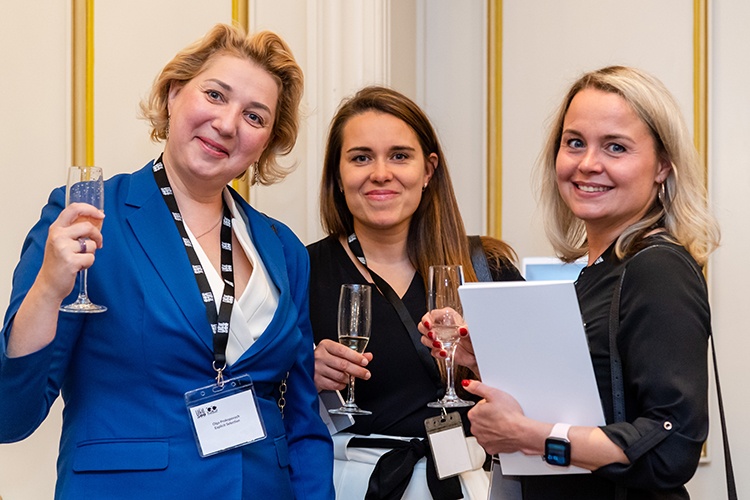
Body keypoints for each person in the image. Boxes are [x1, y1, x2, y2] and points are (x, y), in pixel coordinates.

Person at [0, 23, 333, 499]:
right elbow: (11, 414)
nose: (228, 124)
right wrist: (49, 288)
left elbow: (302, 424)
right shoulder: (89, 215)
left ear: (266, 142)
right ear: (175, 93)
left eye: (254, 116)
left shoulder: (284, 249)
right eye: (215, 95)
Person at [420, 65, 721, 499]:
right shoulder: (601, 272)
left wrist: (528, 437)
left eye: (615, 147)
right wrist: (482, 361)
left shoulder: (657, 269)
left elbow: (670, 447)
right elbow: (590, 407)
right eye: (575, 142)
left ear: (662, 166)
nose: (588, 164)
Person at [307, 85, 523, 499]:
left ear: (428, 170)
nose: (380, 173)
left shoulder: (487, 268)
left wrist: (483, 361)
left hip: (468, 483)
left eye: (399, 156)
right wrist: (304, 374)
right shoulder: (300, 271)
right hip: (351, 486)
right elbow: (266, 394)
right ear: (337, 175)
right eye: (361, 157)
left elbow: (543, 394)